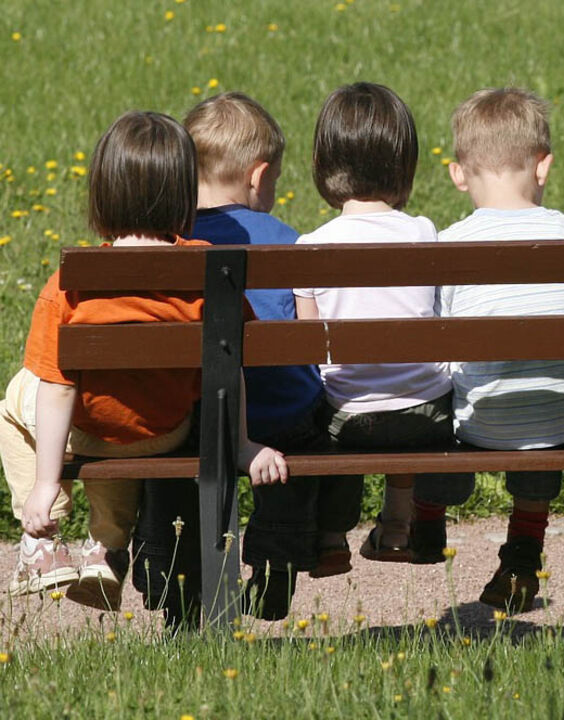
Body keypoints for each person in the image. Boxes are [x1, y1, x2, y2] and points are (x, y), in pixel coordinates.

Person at [0, 111, 287, 613]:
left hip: (96, 434)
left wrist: (48, 484)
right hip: (165, 430)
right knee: (120, 411)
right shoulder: (210, 274)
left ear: (101, 193)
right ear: (182, 194)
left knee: (17, 399)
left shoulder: (73, 283)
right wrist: (241, 444)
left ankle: (43, 541)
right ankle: (104, 548)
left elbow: (58, 388)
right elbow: (230, 365)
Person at [437, 87, 564, 613]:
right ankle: (531, 548)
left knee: (509, 391)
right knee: (550, 394)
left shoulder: (447, 244)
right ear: (542, 168)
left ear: (458, 174)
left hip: (483, 423)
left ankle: (428, 527)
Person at [179, 91, 363, 619]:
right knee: (303, 422)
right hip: (280, 417)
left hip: (197, 416)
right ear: (259, 177)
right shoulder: (291, 243)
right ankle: (278, 558)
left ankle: (178, 569)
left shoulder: (174, 243)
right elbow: (311, 341)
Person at [293, 83, 471, 569]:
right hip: (426, 415)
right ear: (404, 166)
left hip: (346, 419)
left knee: (331, 405)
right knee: (412, 393)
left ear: (323, 165)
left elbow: (312, 354)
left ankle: (331, 536)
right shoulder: (424, 234)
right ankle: (396, 524)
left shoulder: (309, 247)